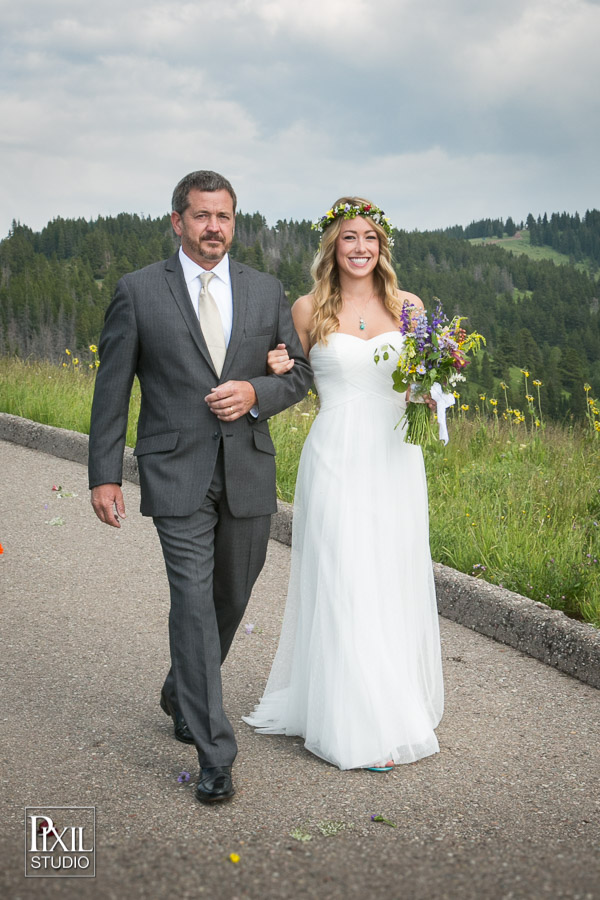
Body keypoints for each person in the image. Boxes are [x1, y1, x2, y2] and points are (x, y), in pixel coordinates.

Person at [88, 170, 312, 803]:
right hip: (175, 469)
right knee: (190, 599)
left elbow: (298, 374)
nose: (214, 227)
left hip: (247, 469)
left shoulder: (266, 290)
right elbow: (112, 388)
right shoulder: (138, 292)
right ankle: (215, 752)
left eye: (225, 216)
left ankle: (182, 684)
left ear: (234, 221)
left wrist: (256, 393)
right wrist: (104, 472)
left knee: (232, 595)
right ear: (178, 221)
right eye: (202, 215)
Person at [244, 197, 444, 771]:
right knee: (343, 574)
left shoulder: (408, 307)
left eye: (370, 239)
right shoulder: (308, 308)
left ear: (382, 248)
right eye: (349, 237)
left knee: (387, 574)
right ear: (332, 245)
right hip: (333, 455)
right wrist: (279, 370)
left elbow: (416, 381)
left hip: (395, 458)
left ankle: (390, 700)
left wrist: (433, 390)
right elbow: (294, 376)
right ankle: (354, 723)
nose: (360, 248)